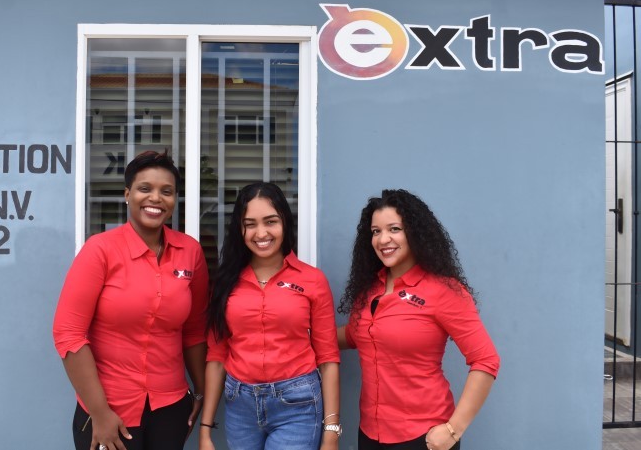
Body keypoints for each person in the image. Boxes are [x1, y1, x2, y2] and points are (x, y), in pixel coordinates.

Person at [53, 150, 209, 450]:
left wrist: (200, 392)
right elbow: (68, 334)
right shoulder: (100, 250)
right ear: (127, 194)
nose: (155, 198)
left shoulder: (190, 252)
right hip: (109, 410)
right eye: (144, 188)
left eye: (167, 191)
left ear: (175, 200)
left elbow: (194, 330)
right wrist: (100, 413)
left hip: (171, 408)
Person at [337, 189, 500, 450]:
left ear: (415, 232)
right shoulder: (369, 290)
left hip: (423, 436)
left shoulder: (444, 291)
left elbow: (486, 360)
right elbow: (358, 334)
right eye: (376, 231)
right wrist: (303, 336)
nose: (383, 239)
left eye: (394, 229)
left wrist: (453, 430)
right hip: (369, 434)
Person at [199, 182, 341, 450]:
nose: (261, 233)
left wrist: (331, 431)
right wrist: (205, 431)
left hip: (297, 404)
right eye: (250, 224)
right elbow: (217, 358)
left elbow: (328, 359)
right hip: (239, 406)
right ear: (239, 229)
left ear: (285, 222)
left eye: (270, 221)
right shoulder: (226, 282)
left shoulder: (312, 280)